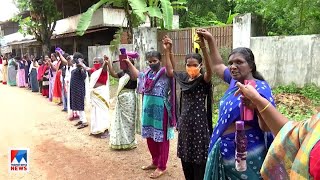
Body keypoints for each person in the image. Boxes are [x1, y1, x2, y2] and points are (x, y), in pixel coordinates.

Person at [198, 28, 275, 180]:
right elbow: (218, 65)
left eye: (239, 62)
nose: (233, 66)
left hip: (248, 154)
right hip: (225, 150)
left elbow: (267, 126)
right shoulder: (234, 82)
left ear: (251, 66)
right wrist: (211, 41)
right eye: (231, 63)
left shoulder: (260, 88)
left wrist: (256, 106)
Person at [234, 82, 320, 179]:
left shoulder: (262, 86)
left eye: (239, 65)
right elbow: (291, 135)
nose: (233, 67)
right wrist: (258, 101)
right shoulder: (317, 123)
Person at [163, 32, 214, 180]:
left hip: (199, 125)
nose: (191, 68)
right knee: (186, 158)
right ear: (185, 65)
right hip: (185, 125)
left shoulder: (204, 79)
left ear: (200, 65)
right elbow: (170, 71)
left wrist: (203, 46)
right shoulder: (184, 79)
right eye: (188, 65)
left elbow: (210, 70)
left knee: (199, 160)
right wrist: (167, 50)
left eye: (195, 65)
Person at [128, 50, 176, 178]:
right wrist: (128, 62)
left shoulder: (165, 72)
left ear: (160, 60)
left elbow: (171, 68)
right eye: (150, 61)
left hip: (162, 110)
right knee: (150, 137)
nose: (152, 63)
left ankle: (162, 166)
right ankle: (155, 162)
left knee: (162, 139)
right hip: (148, 109)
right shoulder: (147, 73)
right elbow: (136, 75)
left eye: (155, 61)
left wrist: (166, 51)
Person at [107, 55, 139, 150]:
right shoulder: (123, 73)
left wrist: (128, 62)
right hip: (121, 99)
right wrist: (109, 63)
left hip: (129, 99)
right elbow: (113, 74)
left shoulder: (133, 74)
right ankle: (120, 141)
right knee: (120, 120)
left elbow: (136, 77)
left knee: (129, 120)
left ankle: (129, 141)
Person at [85, 57, 110, 137]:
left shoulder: (103, 71)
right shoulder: (94, 72)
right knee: (95, 113)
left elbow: (104, 69)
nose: (95, 63)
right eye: (94, 62)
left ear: (101, 63)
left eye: (97, 62)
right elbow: (86, 68)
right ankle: (95, 130)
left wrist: (106, 63)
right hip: (95, 95)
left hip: (101, 94)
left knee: (102, 113)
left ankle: (104, 130)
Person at [70, 52, 88, 129]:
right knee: (77, 104)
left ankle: (84, 121)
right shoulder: (75, 67)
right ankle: (81, 119)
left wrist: (81, 67)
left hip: (79, 89)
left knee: (80, 105)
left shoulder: (81, 68)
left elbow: (84, 76)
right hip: (75, 89)